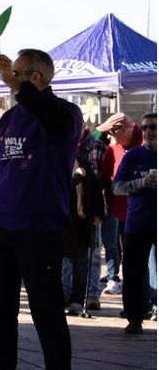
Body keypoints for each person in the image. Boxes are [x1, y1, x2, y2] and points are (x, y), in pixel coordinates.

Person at [0, 49, 82, 370]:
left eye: (16, 74)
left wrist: (19, 89)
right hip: (0, 229)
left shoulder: (65, 114)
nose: (8, 79)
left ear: (36, 78)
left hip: (41, 230)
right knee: (0, 313)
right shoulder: (7, 119)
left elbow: (50, 119)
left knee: (47, 314)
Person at [114, 112, 156, 334]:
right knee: (132, 273)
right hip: (137, 223)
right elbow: (116, 187)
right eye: (146, 127)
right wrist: (141, 182)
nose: (150, 131)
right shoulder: (133, 156)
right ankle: (134, 317)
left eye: (154, 127)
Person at [62, 134, 104, 317]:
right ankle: (63, 296)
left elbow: (96, 191)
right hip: (63, 223)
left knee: (81, 262)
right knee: (64, 262)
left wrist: (97, 214)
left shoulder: (85, 166)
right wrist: (74, 179)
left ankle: (78, 300)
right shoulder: (58, 168)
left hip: (81, 223)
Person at [99, 112, 141, 295]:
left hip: (139, 210)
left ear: (123, 129)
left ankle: (145, 294)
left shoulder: (145, 147)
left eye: (112, 132)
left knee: (136, 252)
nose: (109, 136)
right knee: (111, 243)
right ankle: (113, 277)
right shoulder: (112, 149)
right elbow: (105, 178)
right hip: (115, 206)